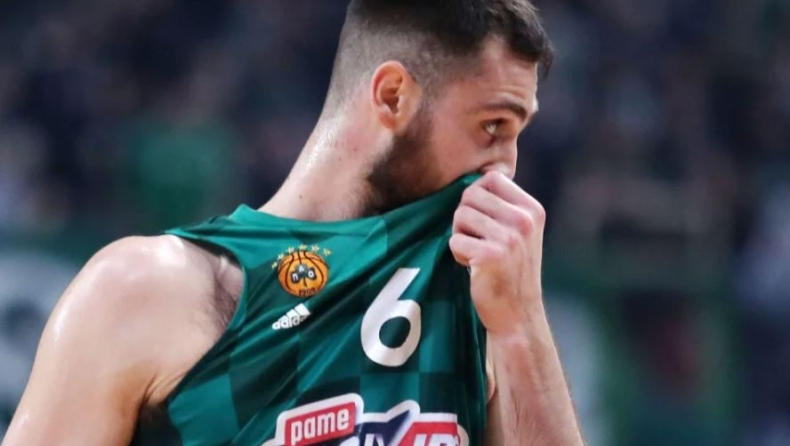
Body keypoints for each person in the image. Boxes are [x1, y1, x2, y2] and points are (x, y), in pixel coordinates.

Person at [3, 1, 584, 445]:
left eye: (517, 135)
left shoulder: (479, 307)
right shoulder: (146, 288)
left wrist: (522, 324)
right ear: (392, 96)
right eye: (492, 127)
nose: (506, 169)